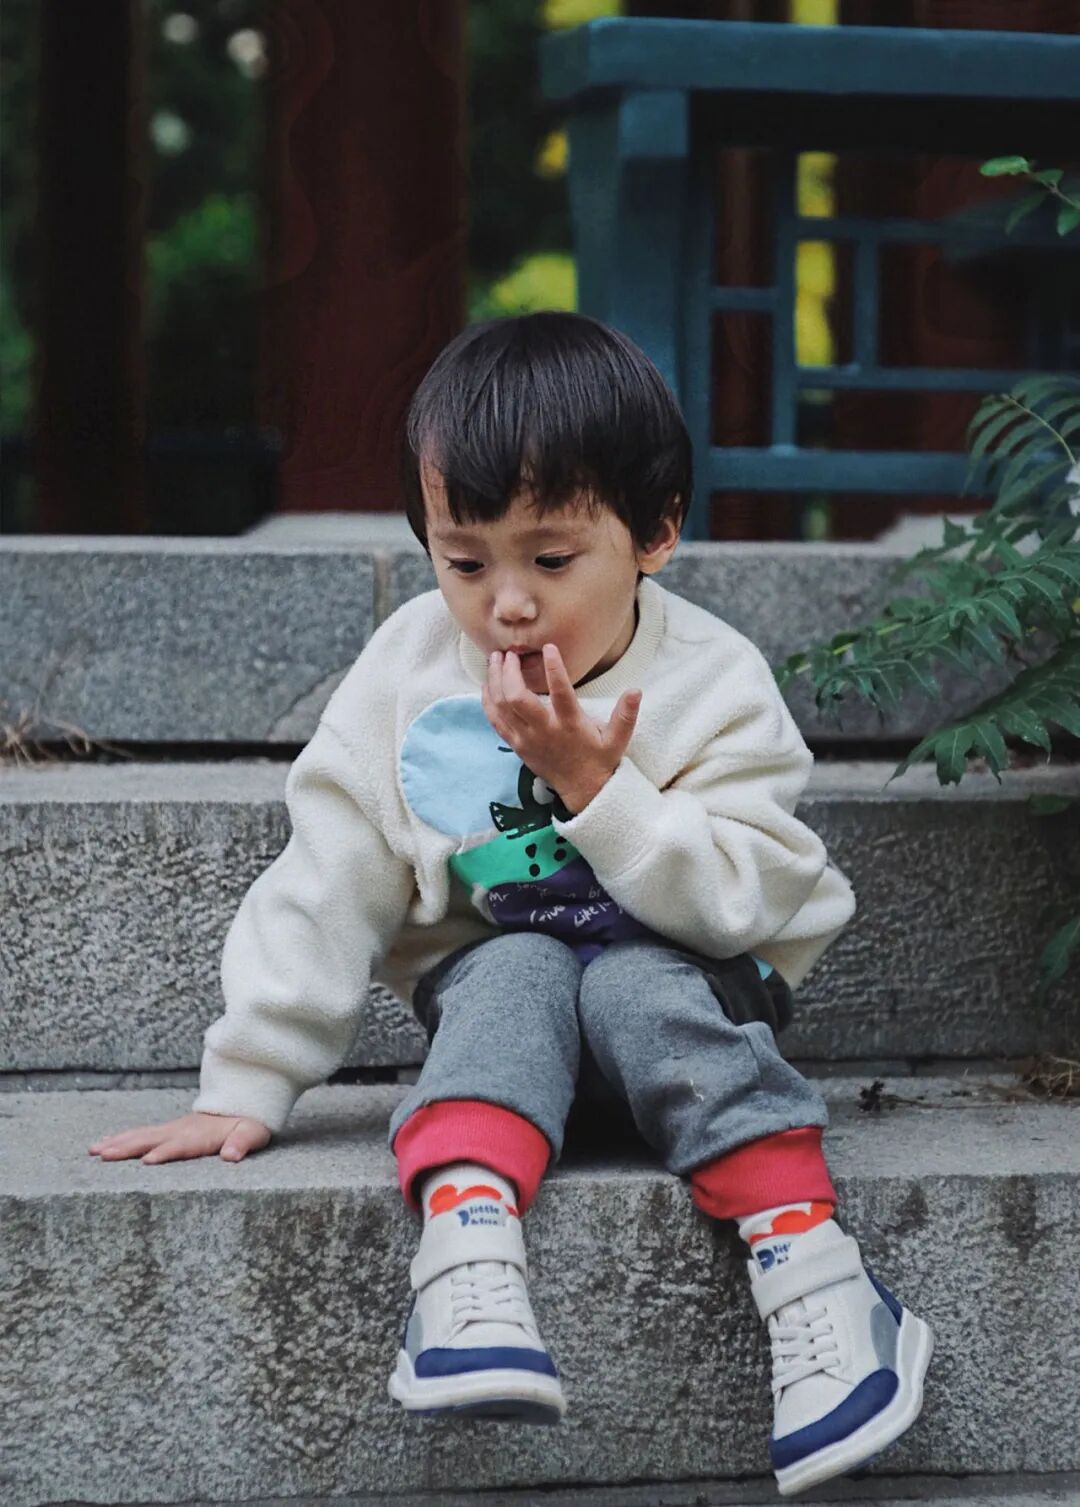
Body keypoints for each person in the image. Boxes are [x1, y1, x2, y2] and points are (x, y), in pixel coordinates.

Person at [88, 312, 933, 1497]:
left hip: (690, 996)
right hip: (507, 1022)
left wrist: (597, 788)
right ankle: (467, 1253)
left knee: (635, 982)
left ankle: (814, 1273)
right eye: (467, 562)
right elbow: (327, 872)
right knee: (520, 964)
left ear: (655, 533)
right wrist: (250, 1078)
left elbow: (747, 896)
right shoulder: (406, 672)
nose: (508, 604)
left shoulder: (714, 681)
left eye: (551, 559)